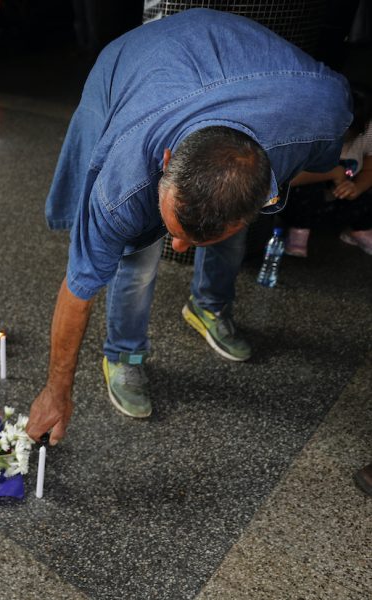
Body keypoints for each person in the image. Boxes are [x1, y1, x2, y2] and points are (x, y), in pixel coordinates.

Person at [26, 8, 352, 443]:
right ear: (166, 162)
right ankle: (125, 354)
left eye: (188, 238)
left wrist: (341, 176)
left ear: (264, 192)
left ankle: (209, 304)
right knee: (135, 257)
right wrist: (56, 391)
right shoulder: (124, 183)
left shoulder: (323, 111)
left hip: (247, 68)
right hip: (133, 62)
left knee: (226, 232)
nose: (177, 247)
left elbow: (302, 172)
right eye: (174, 228)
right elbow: (79, 287)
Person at [284, 85, 372, 257]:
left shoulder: (367, 131)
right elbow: (288, 178)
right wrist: (333, 173)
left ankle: (359, 229)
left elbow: (369, 169)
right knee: (306, 189)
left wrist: (357, 187)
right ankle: (299, 230)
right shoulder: (309, 131)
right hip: (300, 202)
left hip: (339, 201)